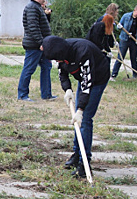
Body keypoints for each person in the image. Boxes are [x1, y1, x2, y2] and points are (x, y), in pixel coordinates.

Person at [41, 35, 110, 178]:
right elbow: (62, 72)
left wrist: (81, 109)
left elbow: (87, 84)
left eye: (56, 59)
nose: (56, 61)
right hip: (85, 79)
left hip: (97, 79)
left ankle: (84, 163)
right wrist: (67, 89)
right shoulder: (62, 52)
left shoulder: (82, 52)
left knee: (84, 119)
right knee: (76, 120)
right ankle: (77, 153)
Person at [17, 0, 55, 101]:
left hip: (40, 44)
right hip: (35, 45)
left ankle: (46, 94)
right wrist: (40, 43)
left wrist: (47, 15)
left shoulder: (38, 8)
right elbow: (33, 27)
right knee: (29, 69)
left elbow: (42, 25)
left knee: (47, 66)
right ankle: (22, 95)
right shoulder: (32, 8)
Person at [111, 4, 137, 80]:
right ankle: (113, 75)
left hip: (134, 40)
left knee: (134, 58)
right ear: (134, 10)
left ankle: (136, 76)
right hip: (124, 39)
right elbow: (118, 25)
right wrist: (119, 26)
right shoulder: (126, 16)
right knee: (120, 57)